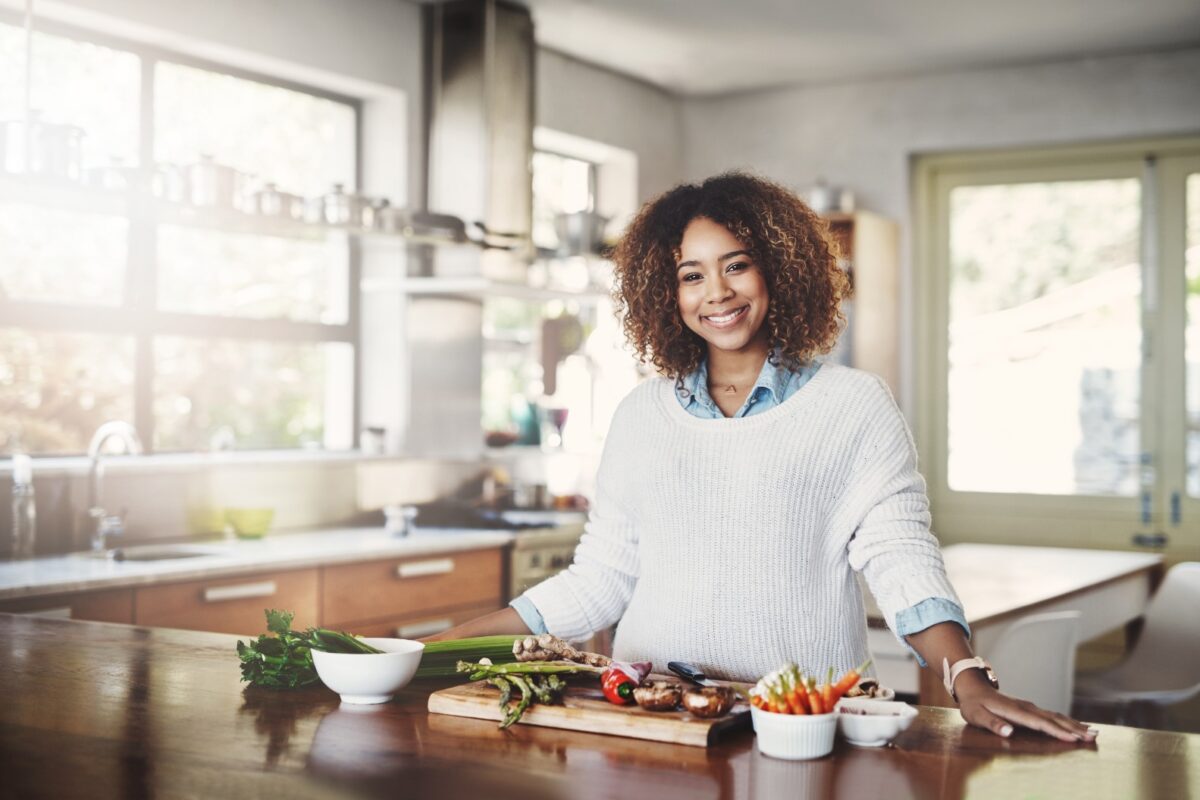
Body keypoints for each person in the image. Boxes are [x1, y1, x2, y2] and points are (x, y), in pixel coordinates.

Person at [431, 171, 1097, 743]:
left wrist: (966, 677)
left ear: (779, 268)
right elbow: (598, 580)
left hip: (803, 720)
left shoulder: (854, 405)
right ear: (668, 295)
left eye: (737, 264)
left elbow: (901, 559)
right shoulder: (640, 416)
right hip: (658, 717)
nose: (715, 292)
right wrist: (432, 651)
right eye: (691, 275)